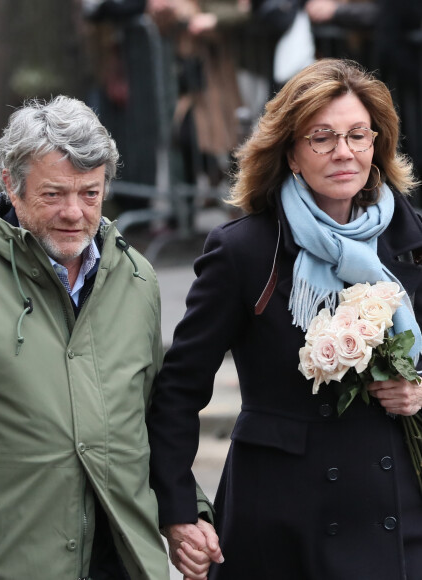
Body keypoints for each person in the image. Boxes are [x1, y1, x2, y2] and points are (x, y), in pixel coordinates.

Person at [0, 96, 218, 580]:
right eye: (54, 194)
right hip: (4, 560)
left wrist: (185, 512)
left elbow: (147, 420)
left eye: (90, 194)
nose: (75, 213)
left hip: (121, 559)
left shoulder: (136, 278)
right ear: (11, 188)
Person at [147, 58, 422, 579]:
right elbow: (179, 390)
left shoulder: (411, 242)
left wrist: (420, 389)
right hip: (280, 515)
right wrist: (179, 510)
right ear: (291, 152)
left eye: (358, 135)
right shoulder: (245, 251)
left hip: (396, 511)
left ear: (376, 145)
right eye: (322, 137)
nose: (344, 152)